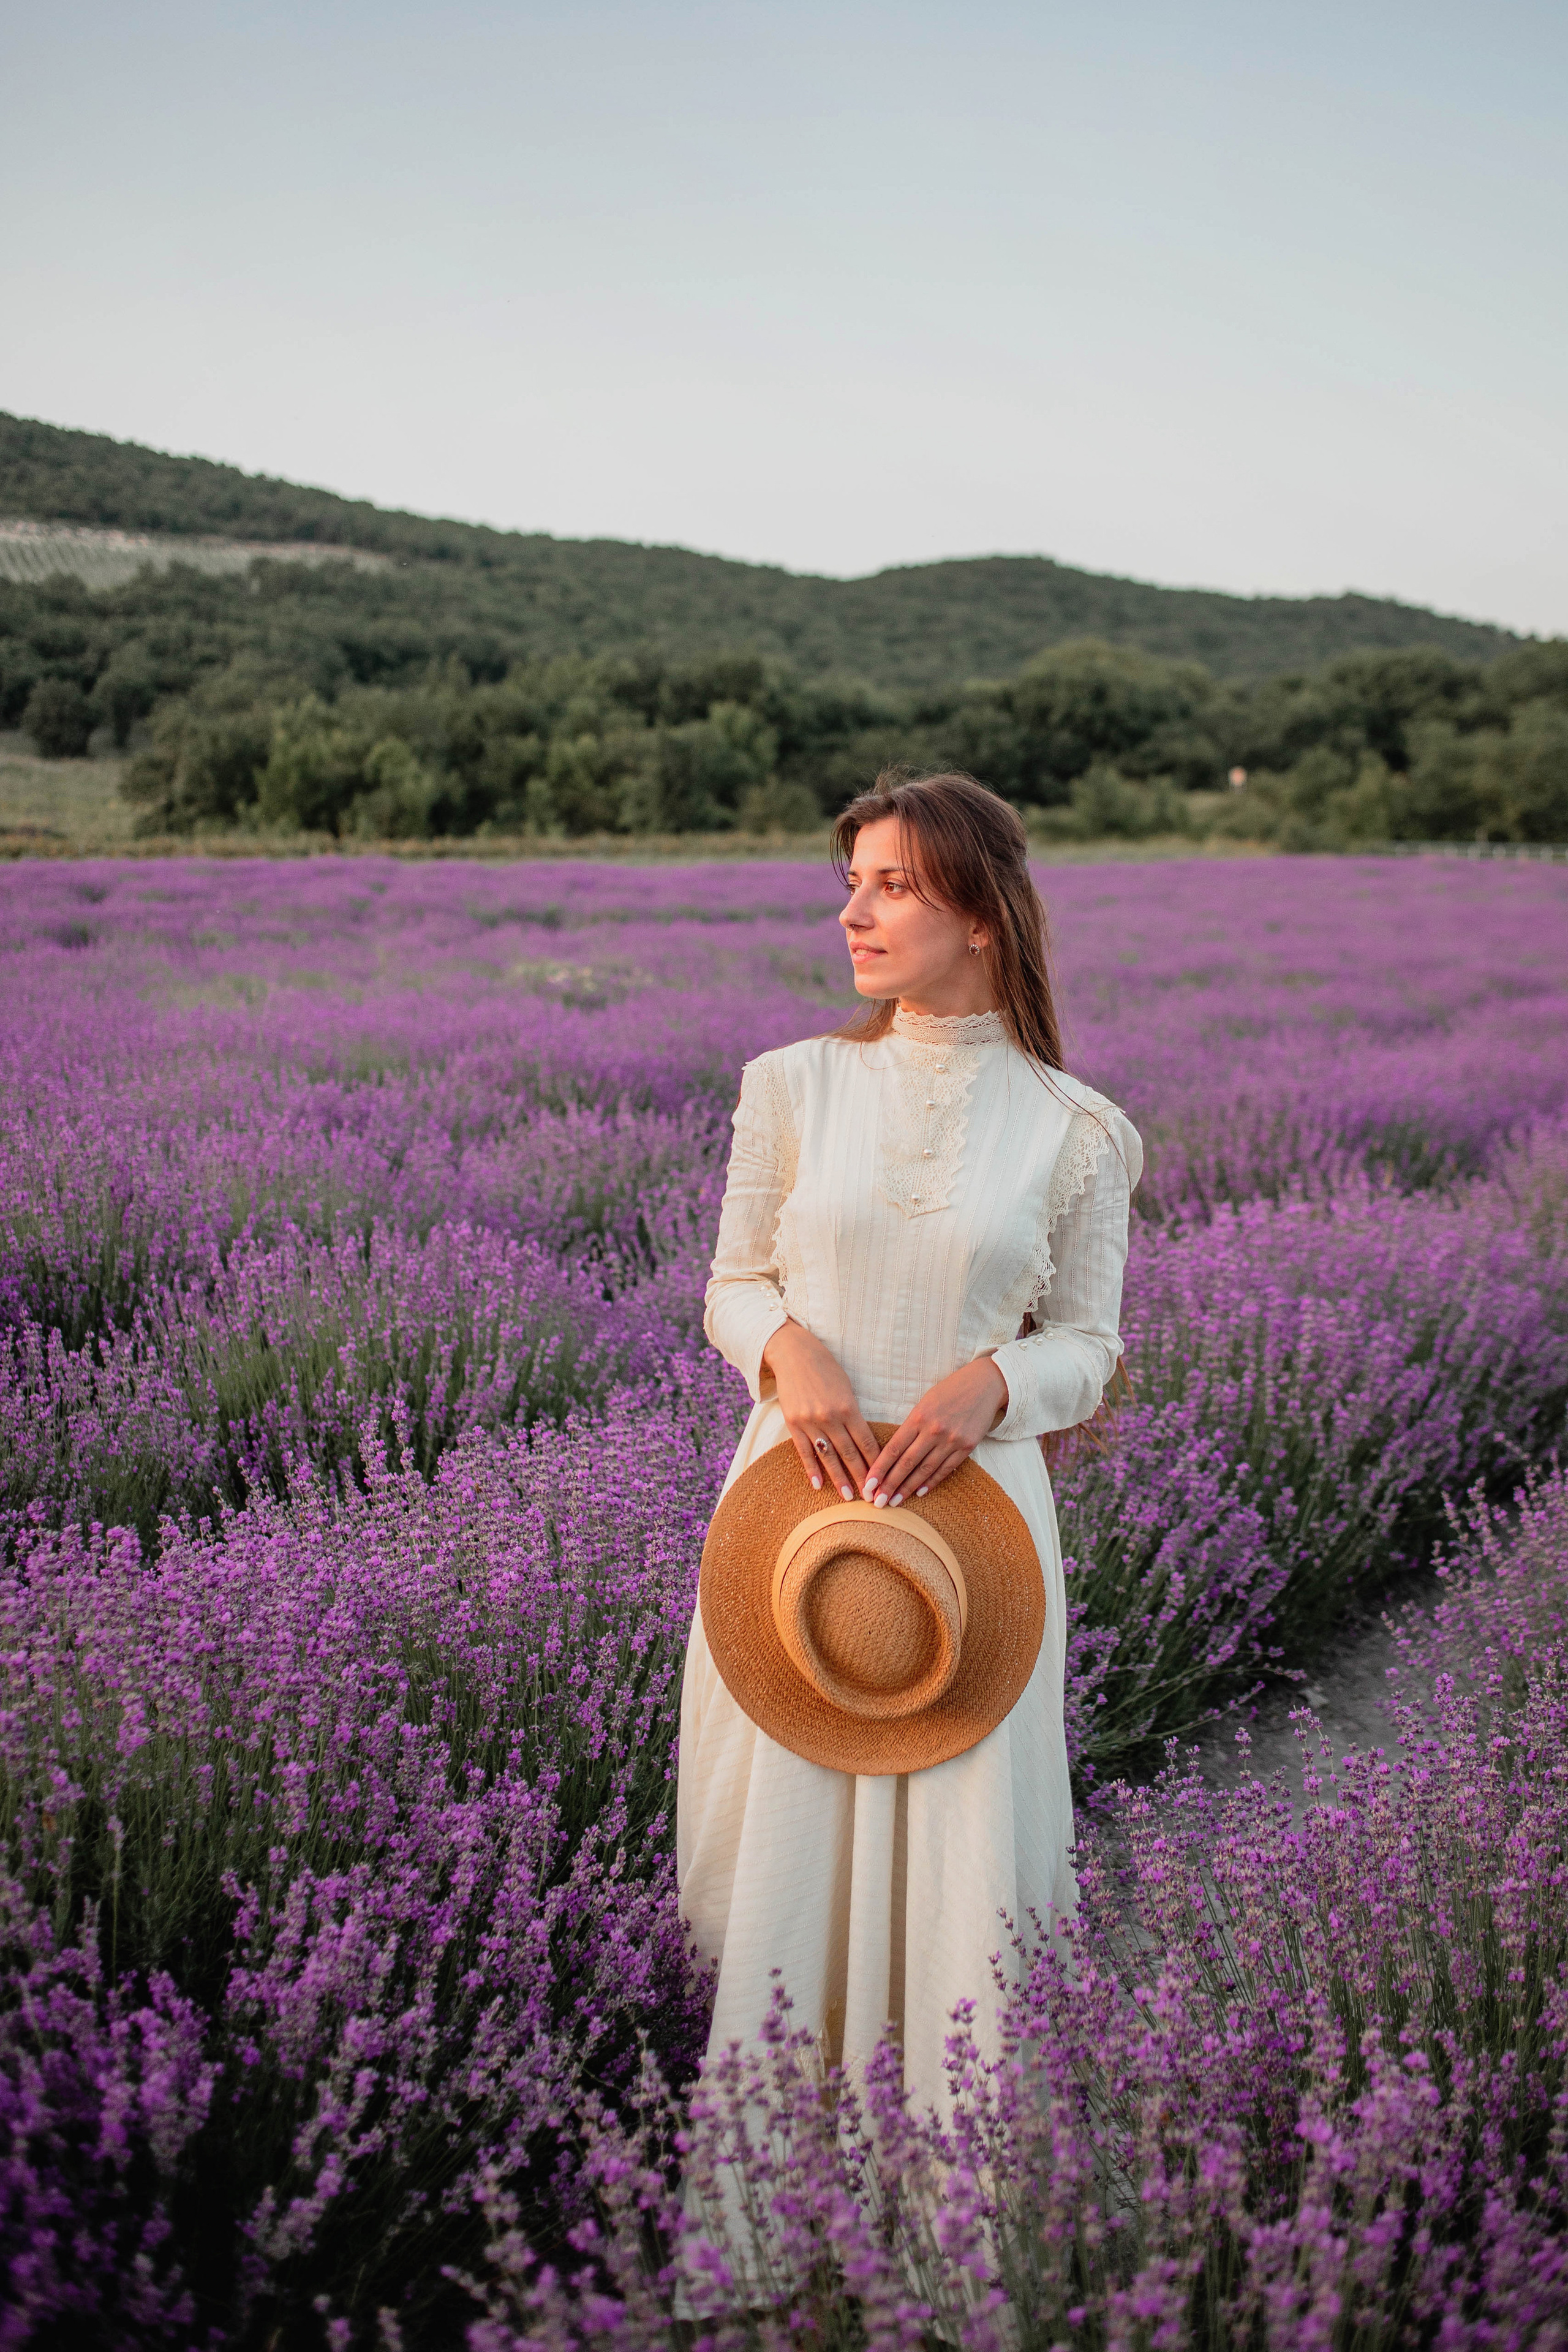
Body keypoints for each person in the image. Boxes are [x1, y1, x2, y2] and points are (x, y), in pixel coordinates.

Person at [678, 770, 1142, 2115]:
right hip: (793, 1511)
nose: (854, 915)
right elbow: (729, 1282)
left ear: (981, 914)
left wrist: (992, 1385)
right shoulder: (791, 1085)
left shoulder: (1076, 1131)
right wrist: (788, 1350)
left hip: (971, 1529)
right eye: (849, 886)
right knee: (783, 1852)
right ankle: (775, 2183)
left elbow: (1089, 1346)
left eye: (891, 886)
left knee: (954, 1856)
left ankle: (943, 2215)